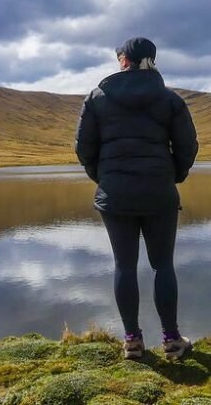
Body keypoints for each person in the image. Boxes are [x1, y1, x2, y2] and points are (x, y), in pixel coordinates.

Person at [75, 37, 199, 359]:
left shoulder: (97, 98)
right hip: (159, 193)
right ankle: (172, 340)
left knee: (124, 266)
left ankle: (132, 341)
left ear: (125, 61)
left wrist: (104, 179)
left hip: (115, 196)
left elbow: (83, 149)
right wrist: (172, 175)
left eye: (119, 58)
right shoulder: (170, 100)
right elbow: (187, 147)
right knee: (163, 266)